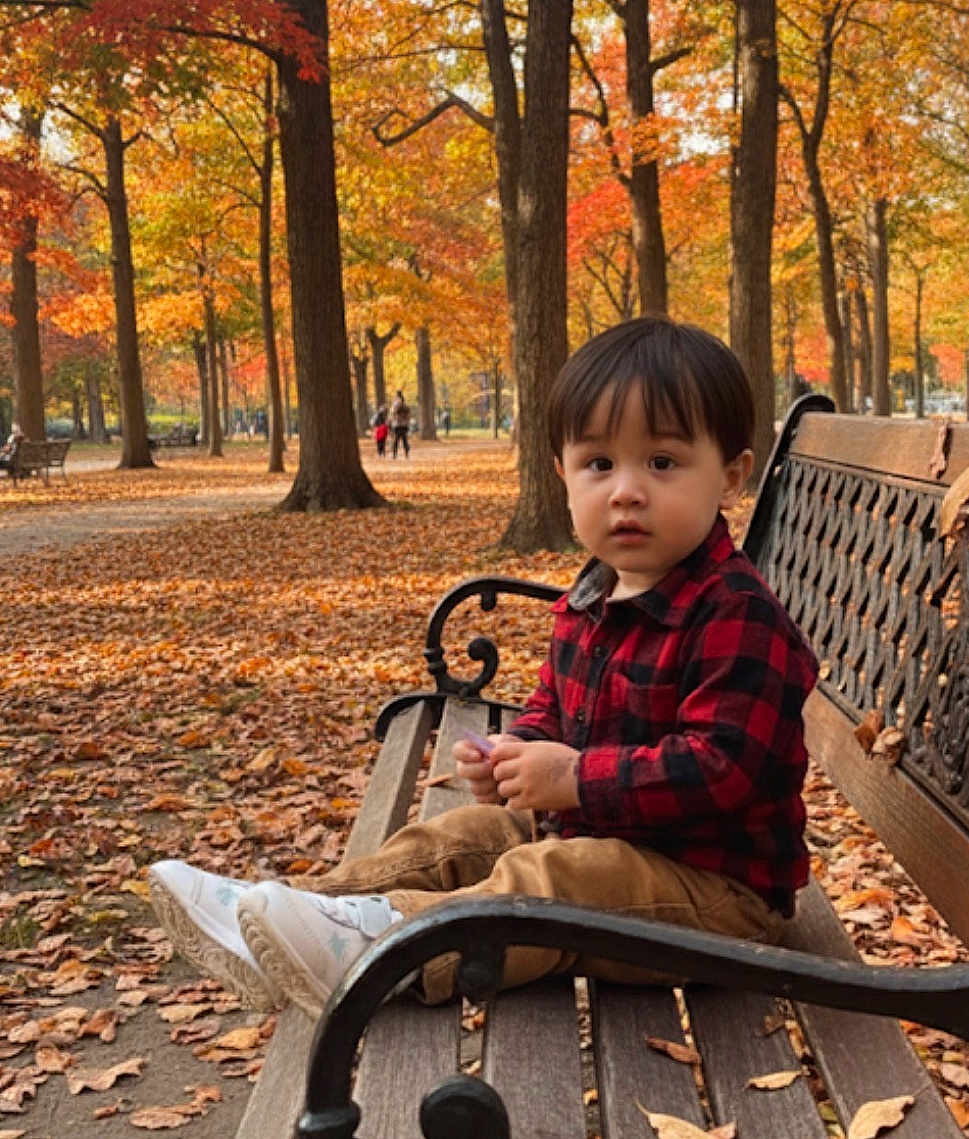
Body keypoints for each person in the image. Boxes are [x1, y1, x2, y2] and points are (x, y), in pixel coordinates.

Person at [147, 317, 818, 1020]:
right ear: (561, 473)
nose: (625, 490)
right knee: (459, 837)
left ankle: (382, 950)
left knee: (549, 877)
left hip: (719, 897)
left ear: (731, 475)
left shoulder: (735, 612)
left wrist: (569, 778)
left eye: (661, 462)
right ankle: (301, 911)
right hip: (606, 836)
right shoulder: (593, 591)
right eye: (598, 464)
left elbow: (722, 766)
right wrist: (519, 747)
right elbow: (553, 703)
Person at [390, 390, 411, 458]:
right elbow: (408, 415)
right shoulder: (405, 405)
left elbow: (393, 413)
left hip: (398, 425)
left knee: (396, 440)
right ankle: (406, 453)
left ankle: (394, 454)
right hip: (404, 425)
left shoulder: (396, 404)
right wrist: (407, 422)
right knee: (404, 439)